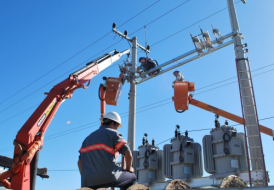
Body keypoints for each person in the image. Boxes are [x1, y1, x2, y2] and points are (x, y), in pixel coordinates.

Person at [78, 111, 136, 189]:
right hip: (108, 176)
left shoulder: (87, 139)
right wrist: (129, 168)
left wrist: (87, 177)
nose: (117, 129)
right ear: (112, 123)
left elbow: (79, 162)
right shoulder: (113, 134)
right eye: (117, 126)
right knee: (131, 177)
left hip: (87, 181)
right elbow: (128, 153)